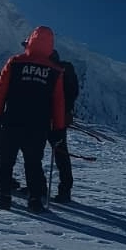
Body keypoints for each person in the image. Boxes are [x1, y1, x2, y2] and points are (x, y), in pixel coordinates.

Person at [0, 25, 67, 213]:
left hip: (12, 120)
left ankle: (3, 198)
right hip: (38, 126)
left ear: (31, 40)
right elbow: (58, 103)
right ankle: (34, 201)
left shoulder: (15, 62)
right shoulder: (55, 71)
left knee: (5, 160)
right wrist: (58, 129)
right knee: (33, 163)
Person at [49, 49, 79, 203]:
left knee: (34, 152)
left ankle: (37, 185)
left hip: (44, 117)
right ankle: (65, 190)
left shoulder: (52, 70)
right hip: (59, 118)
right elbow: (73, 93)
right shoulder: (66, 69)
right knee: (61, 154)